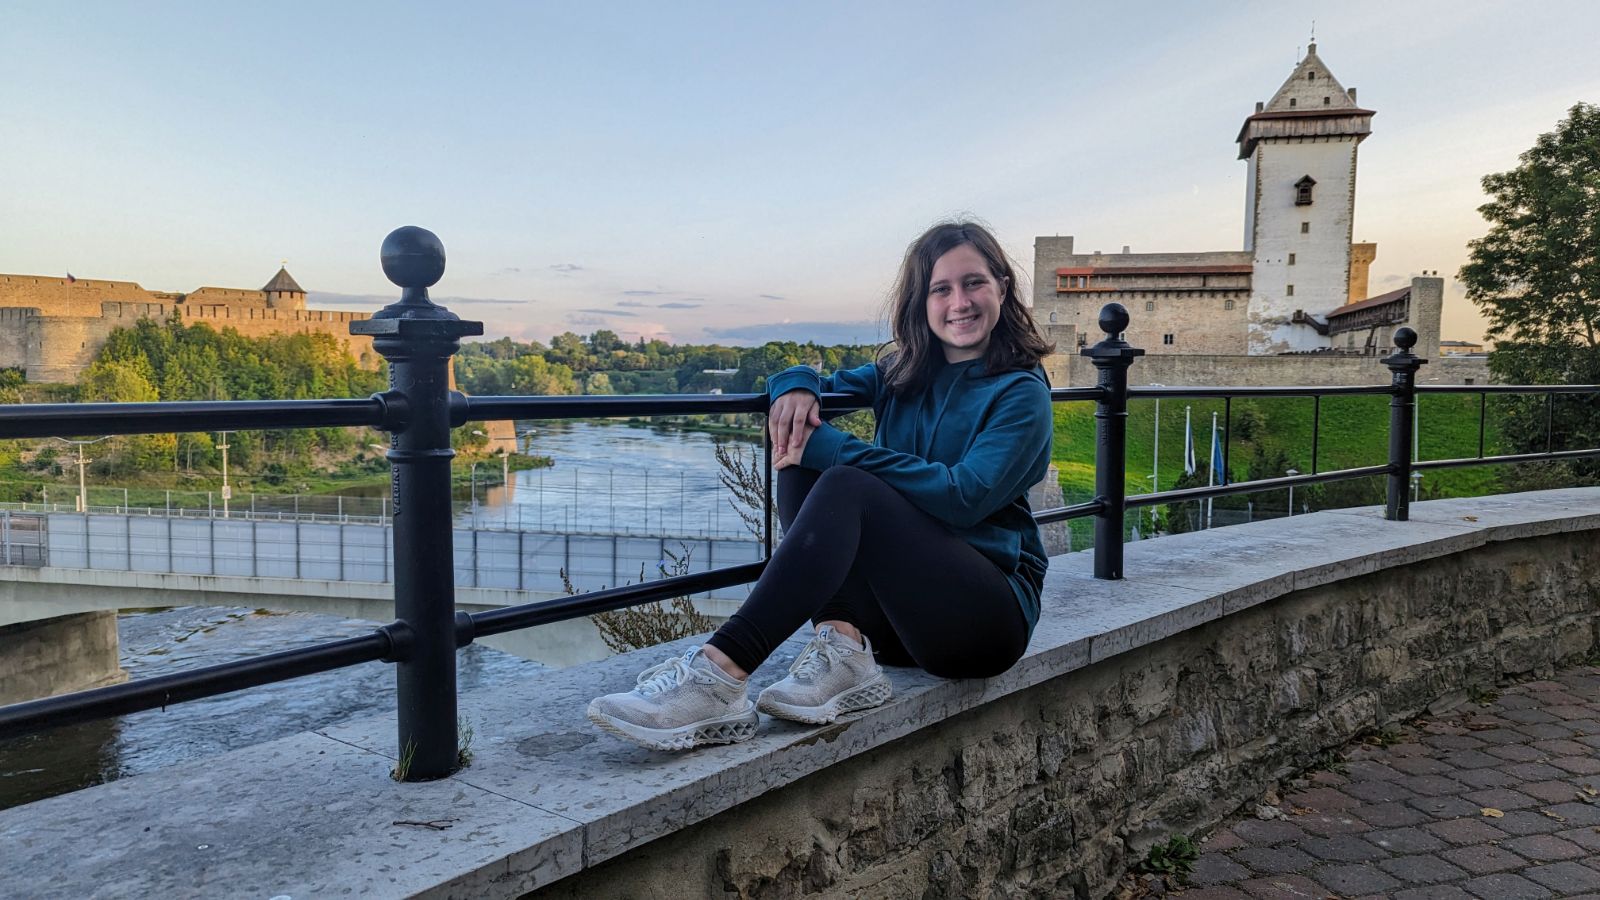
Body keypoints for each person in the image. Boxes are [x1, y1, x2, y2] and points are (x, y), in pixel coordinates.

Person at [587, 220, 1055, 751]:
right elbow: (810, 389)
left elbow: (963, 497)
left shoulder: (1021, 392)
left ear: (1003, 287)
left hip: (983, 622)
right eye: (940, 289)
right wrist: (794, 385)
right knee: (800, 450)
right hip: (896, 621)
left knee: (846, 480)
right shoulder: (902, 370)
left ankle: (720, 674)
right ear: (921, 303)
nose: (960, 302)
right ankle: (843, 649)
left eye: (974, 283)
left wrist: (835, 449)